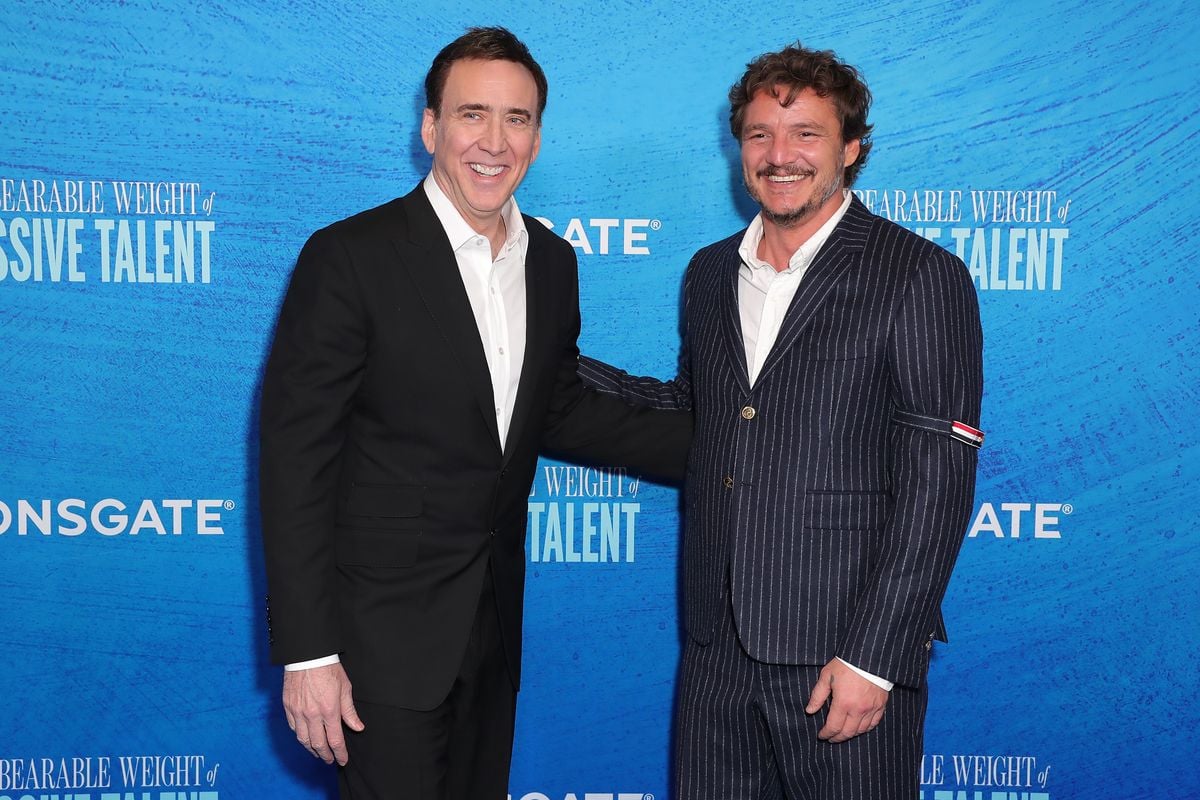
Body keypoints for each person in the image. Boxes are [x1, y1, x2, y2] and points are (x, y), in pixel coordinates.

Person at [259, 27, 688, 800]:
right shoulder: (350, 257)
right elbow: (296, 462)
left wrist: (743, 444)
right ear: (430, 128)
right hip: (375, 651)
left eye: (517, 119)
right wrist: (308, 652)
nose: (494, 141)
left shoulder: (552, 263)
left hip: (491, 637)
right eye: (472, 115)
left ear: (538, 135)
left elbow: (556, 409)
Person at [579, 43, 984, 800]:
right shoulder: (707, 272)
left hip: (843, 657)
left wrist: (875, 658)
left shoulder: (920, 274)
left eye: (806, 133)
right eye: (760, 134)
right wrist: (537, 360)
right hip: (714, 656)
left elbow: (939, 484)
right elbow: (696, 414)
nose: (779, 155)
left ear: (852, 148)